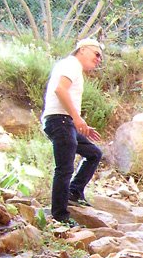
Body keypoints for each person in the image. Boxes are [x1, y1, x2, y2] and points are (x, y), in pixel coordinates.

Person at [41, 38, 105, 224]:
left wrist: (76, 123)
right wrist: (77, 118)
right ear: (83, 50)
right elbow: (60, 90)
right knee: (64, 168)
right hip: (60, 121)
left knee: (94, 153)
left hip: (64, 121)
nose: (98, 59)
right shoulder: (71, 64)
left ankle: (74, 192)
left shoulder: (72, 67)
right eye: (96, 54)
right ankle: (60, 215)